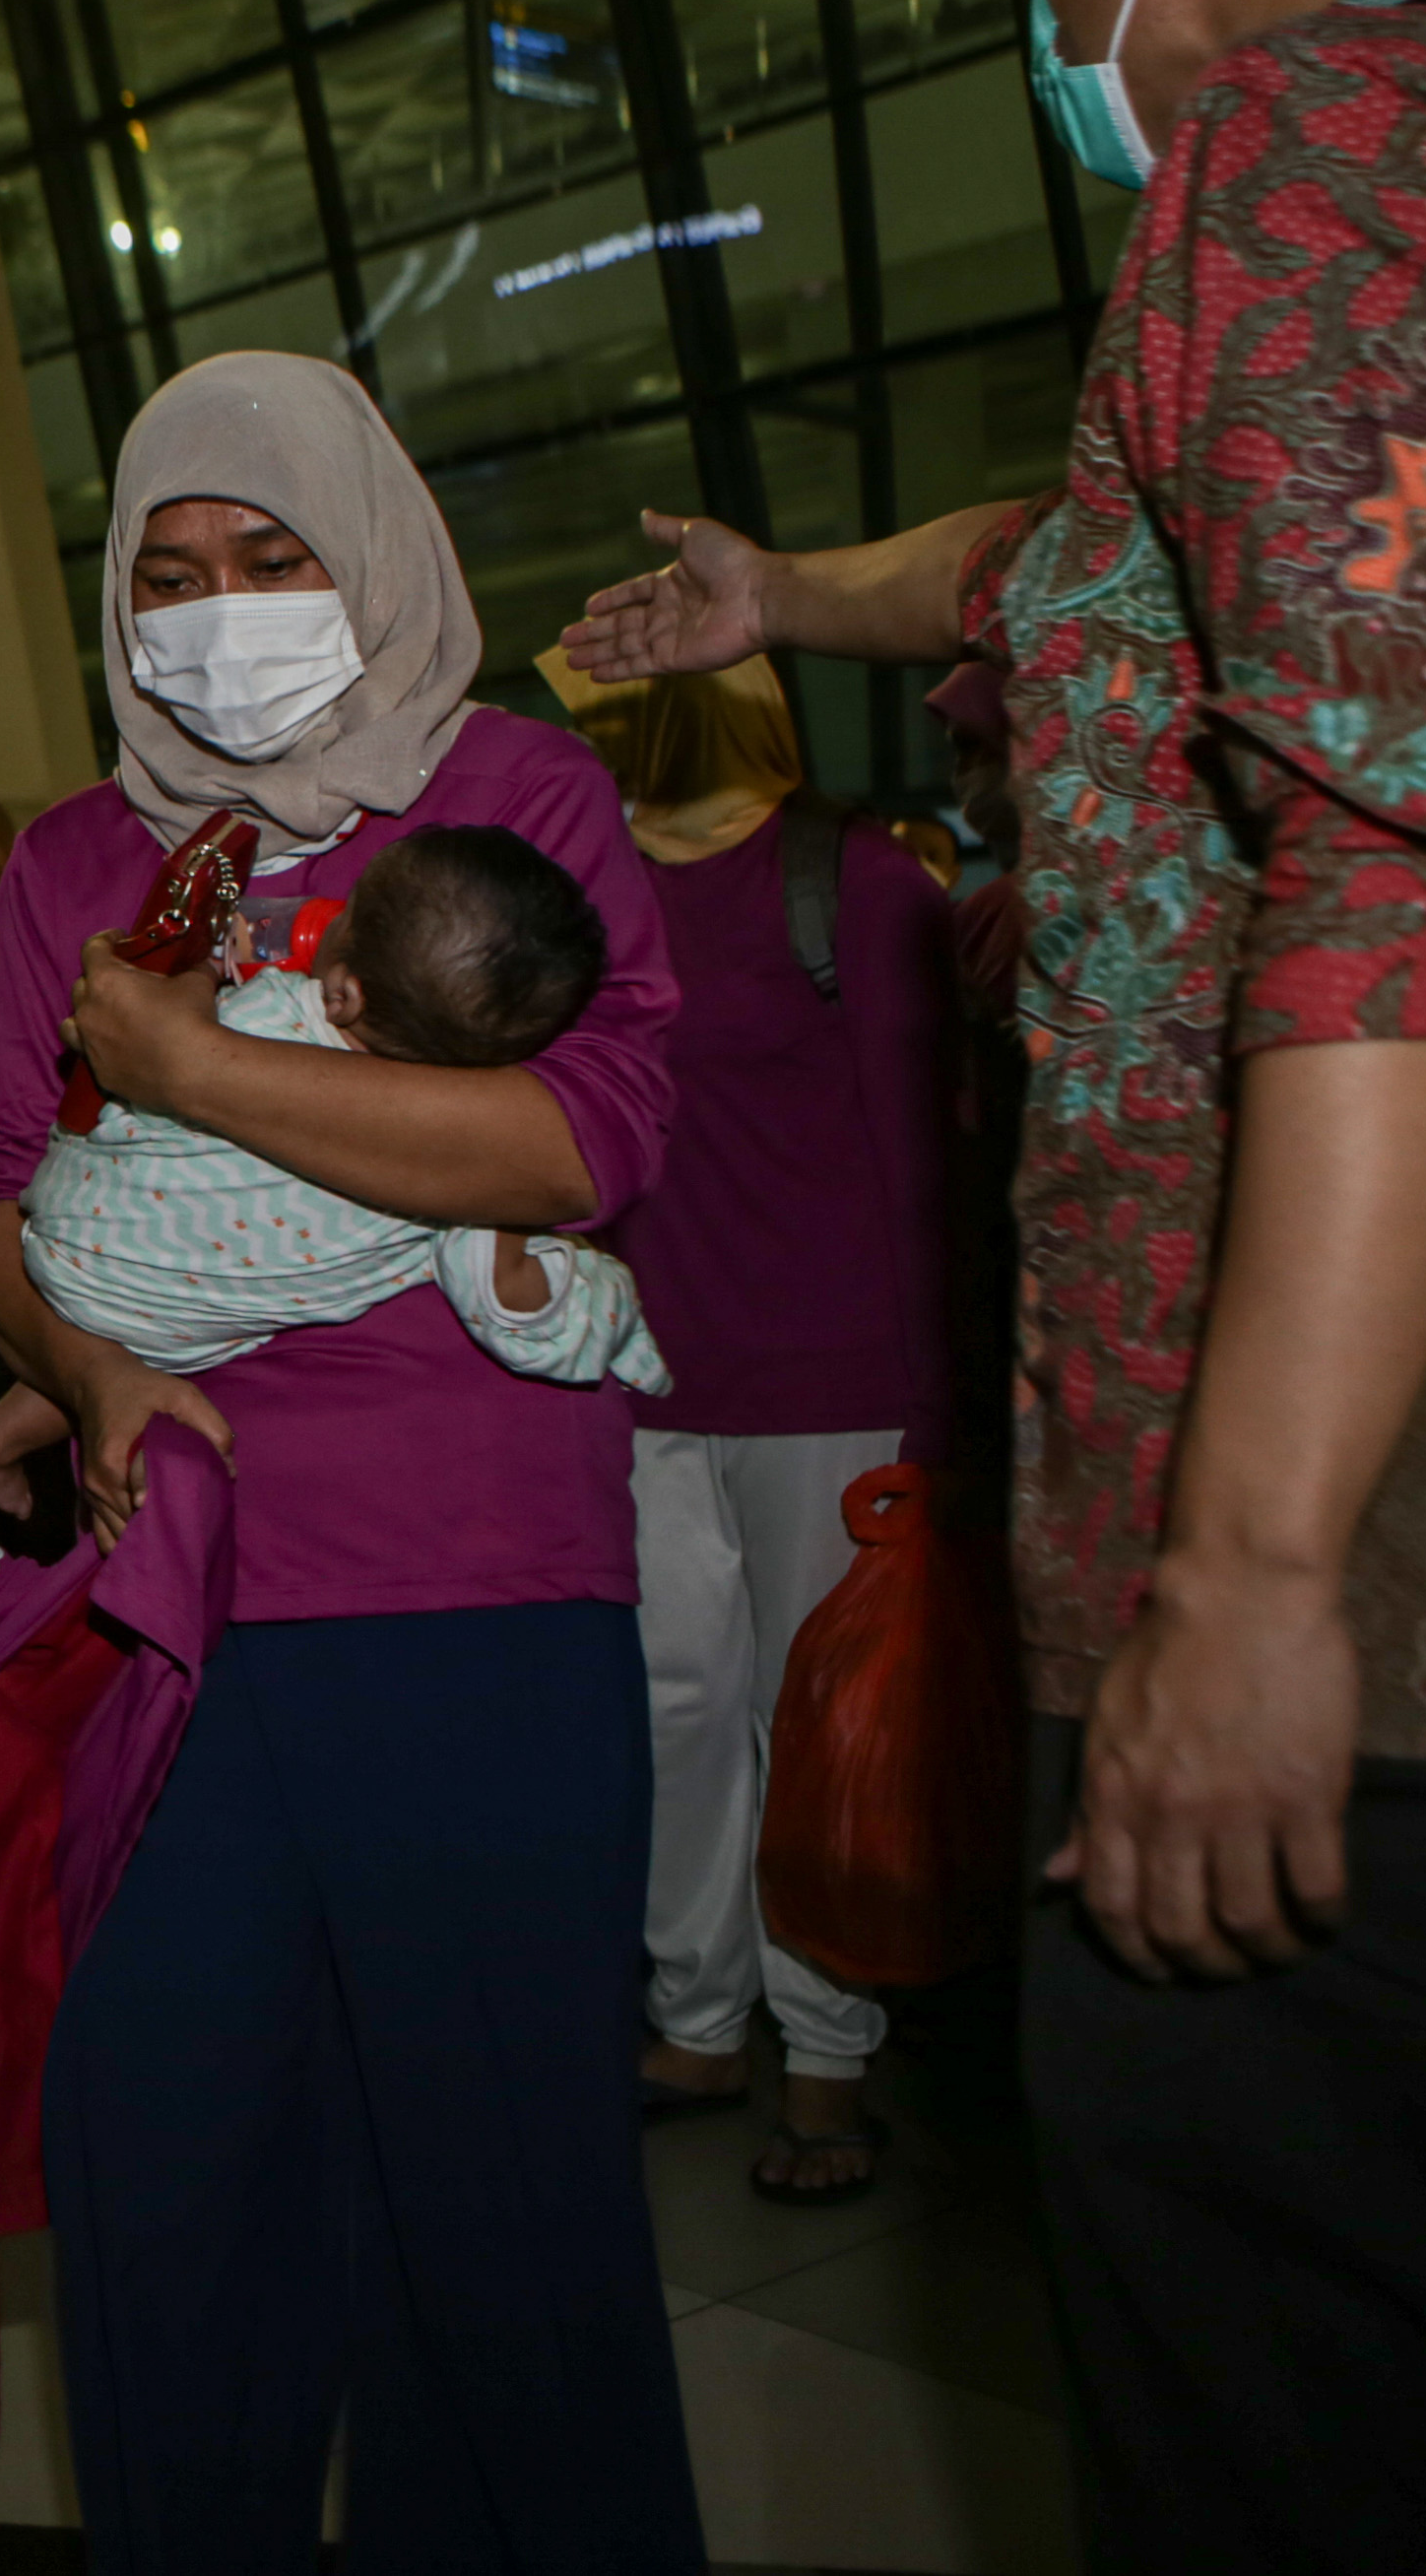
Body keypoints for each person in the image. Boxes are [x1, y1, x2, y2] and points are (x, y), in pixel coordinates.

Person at [557, 0, 1426, 2557]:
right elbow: (1061, 564)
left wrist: (1251, 1574)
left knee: (1305, 2394)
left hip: (1381, 1590)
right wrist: (777, 590)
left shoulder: (1313, 144)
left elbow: (1412, 886)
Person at [0, 351, 700, 2569]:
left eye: (269, 561)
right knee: (171, 2197)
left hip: (469, 1601)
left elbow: (574, 1137)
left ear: (373, 560)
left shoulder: (515, 795)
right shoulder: (79, 852)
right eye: (165, 573)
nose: (213, 611)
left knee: (505, 2219)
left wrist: (183, 1059)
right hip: (161, 1606)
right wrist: (78, 1371)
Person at [535, 650, 953, 2208]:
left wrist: (935, 1411)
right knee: (674, 1706)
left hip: (835, 1380)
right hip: (641, 1373)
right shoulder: (590, 893)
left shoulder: (850, 881)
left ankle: (831, 2045)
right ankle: (701, 2016)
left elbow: (925, 1154)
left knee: (817, 1712)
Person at [10, 824, 662, 1406]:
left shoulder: (268, 1015)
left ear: (345, 993)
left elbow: (160, 1027)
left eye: (345, 916)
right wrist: (606, 1296)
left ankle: (17, 1418)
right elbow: (507, 1305)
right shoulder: (461, 1174)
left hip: (57, 1255)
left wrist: (200, 970)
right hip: (173, 1334)